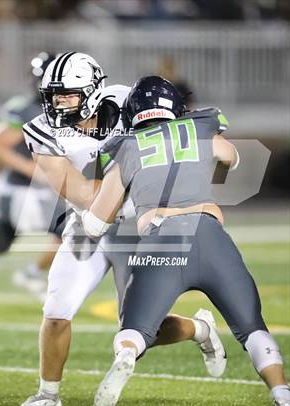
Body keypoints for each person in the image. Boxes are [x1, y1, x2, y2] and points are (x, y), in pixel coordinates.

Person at [20, 54, 226, 406]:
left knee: (140, 330)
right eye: (53, 95)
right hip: (88, 225)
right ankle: (47, 396)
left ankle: (200, 328)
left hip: (140, 227)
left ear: (92, 91)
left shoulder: (128, 100)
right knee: (56, 310)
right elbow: (83, 195)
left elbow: (183, 133)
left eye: (67, 94)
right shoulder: (42, 131)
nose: (58, 103)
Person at [80, 76, 290, 406]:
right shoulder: (199, 127)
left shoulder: (125, 146)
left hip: (161, 241)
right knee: (252, 328)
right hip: (210, 236)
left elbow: (94, 223)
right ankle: (281, 392)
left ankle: (126, 354)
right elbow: (231, 157)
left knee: (133, 330)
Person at [0, 52, 65, 299]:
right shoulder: (26, 110)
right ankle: (32, 272)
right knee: (73, 231)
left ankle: (32, 272)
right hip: (23, 189)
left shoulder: (63, 112)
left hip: (33, 190)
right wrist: (32, 170)